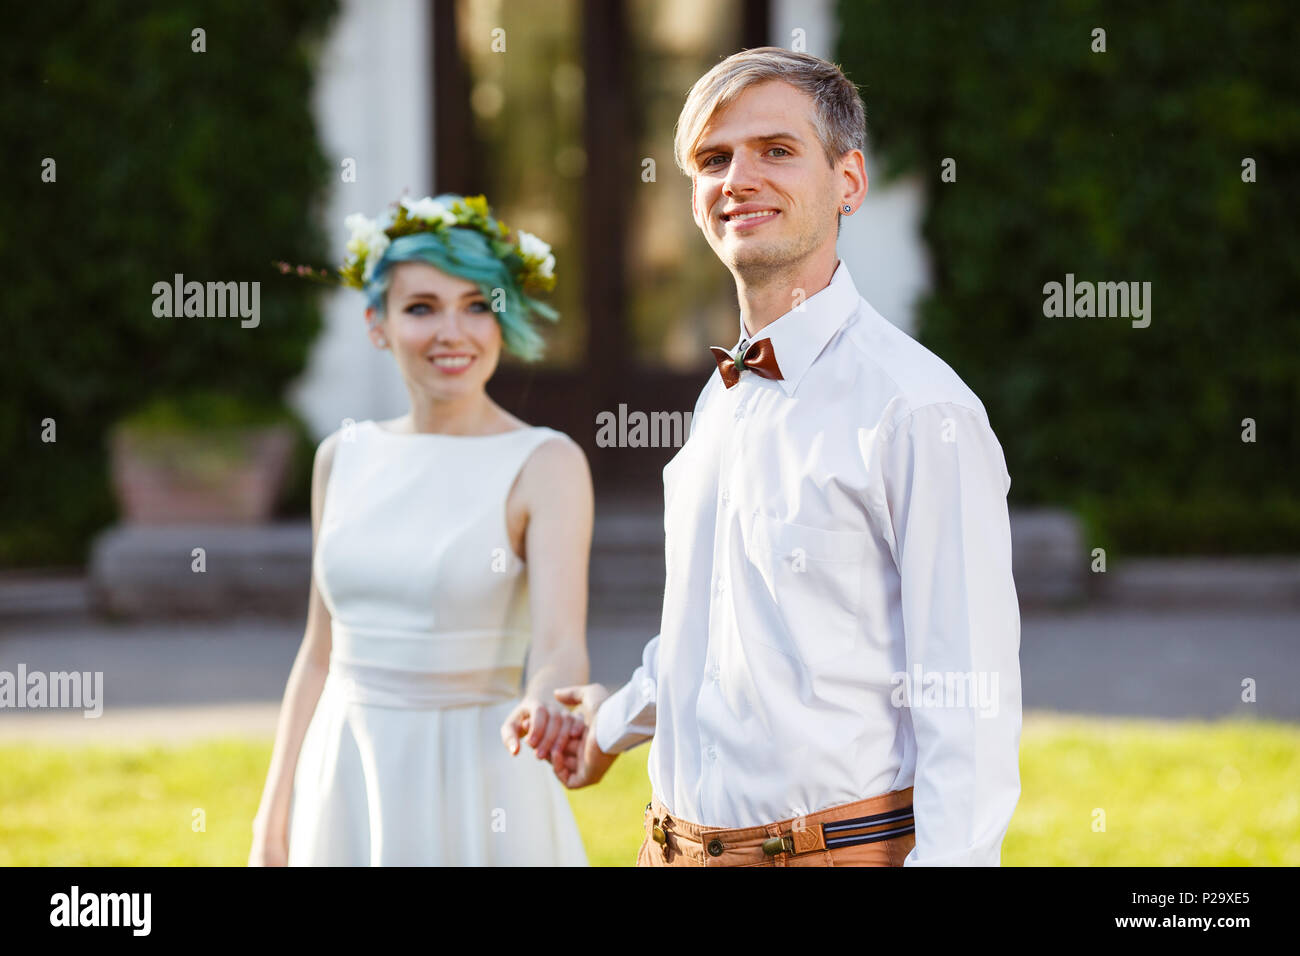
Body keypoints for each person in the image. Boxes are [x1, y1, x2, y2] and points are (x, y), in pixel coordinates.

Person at [544, 48, 1023, 866]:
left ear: (849, 182)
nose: (738, 178)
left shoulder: (919, 410)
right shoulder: (720, 397)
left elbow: (966, 696)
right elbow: (711, 629)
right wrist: (607, 729)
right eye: (713, 159)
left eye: (776, 150)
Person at [250, 193, 591, 866]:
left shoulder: (546, 463)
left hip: (481, 778)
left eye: (476, 305)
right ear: (376, 322)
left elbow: (560, 646)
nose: (452, 332)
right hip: (346, 769)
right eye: (421, 307)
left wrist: (546, 700)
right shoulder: (339, 457)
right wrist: (275, 806)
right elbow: (320, 652)